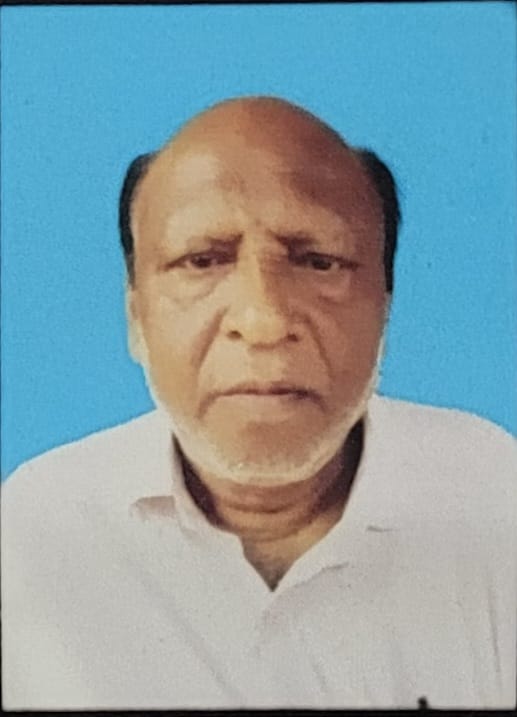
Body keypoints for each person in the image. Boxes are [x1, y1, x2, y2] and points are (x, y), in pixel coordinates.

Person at [2, 96, 515, 710]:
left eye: (319, 261)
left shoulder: (495, 499)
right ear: (135, 315)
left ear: (385, 304)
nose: (263, 319)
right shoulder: (31, 533)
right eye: (202, 261)